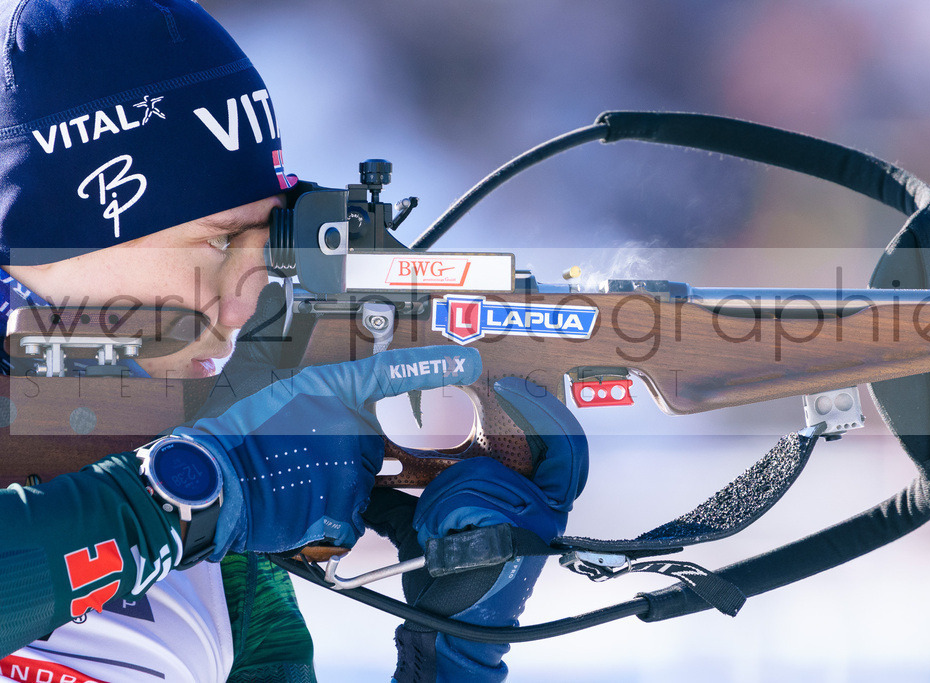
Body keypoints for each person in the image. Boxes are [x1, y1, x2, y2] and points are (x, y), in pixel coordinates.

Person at [0, 1, 588, 681]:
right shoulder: (197, 508)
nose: (241, 304)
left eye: (264, 250)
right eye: (218, 241)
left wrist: (453, 651)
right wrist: (187, 497)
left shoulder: (223, 571)